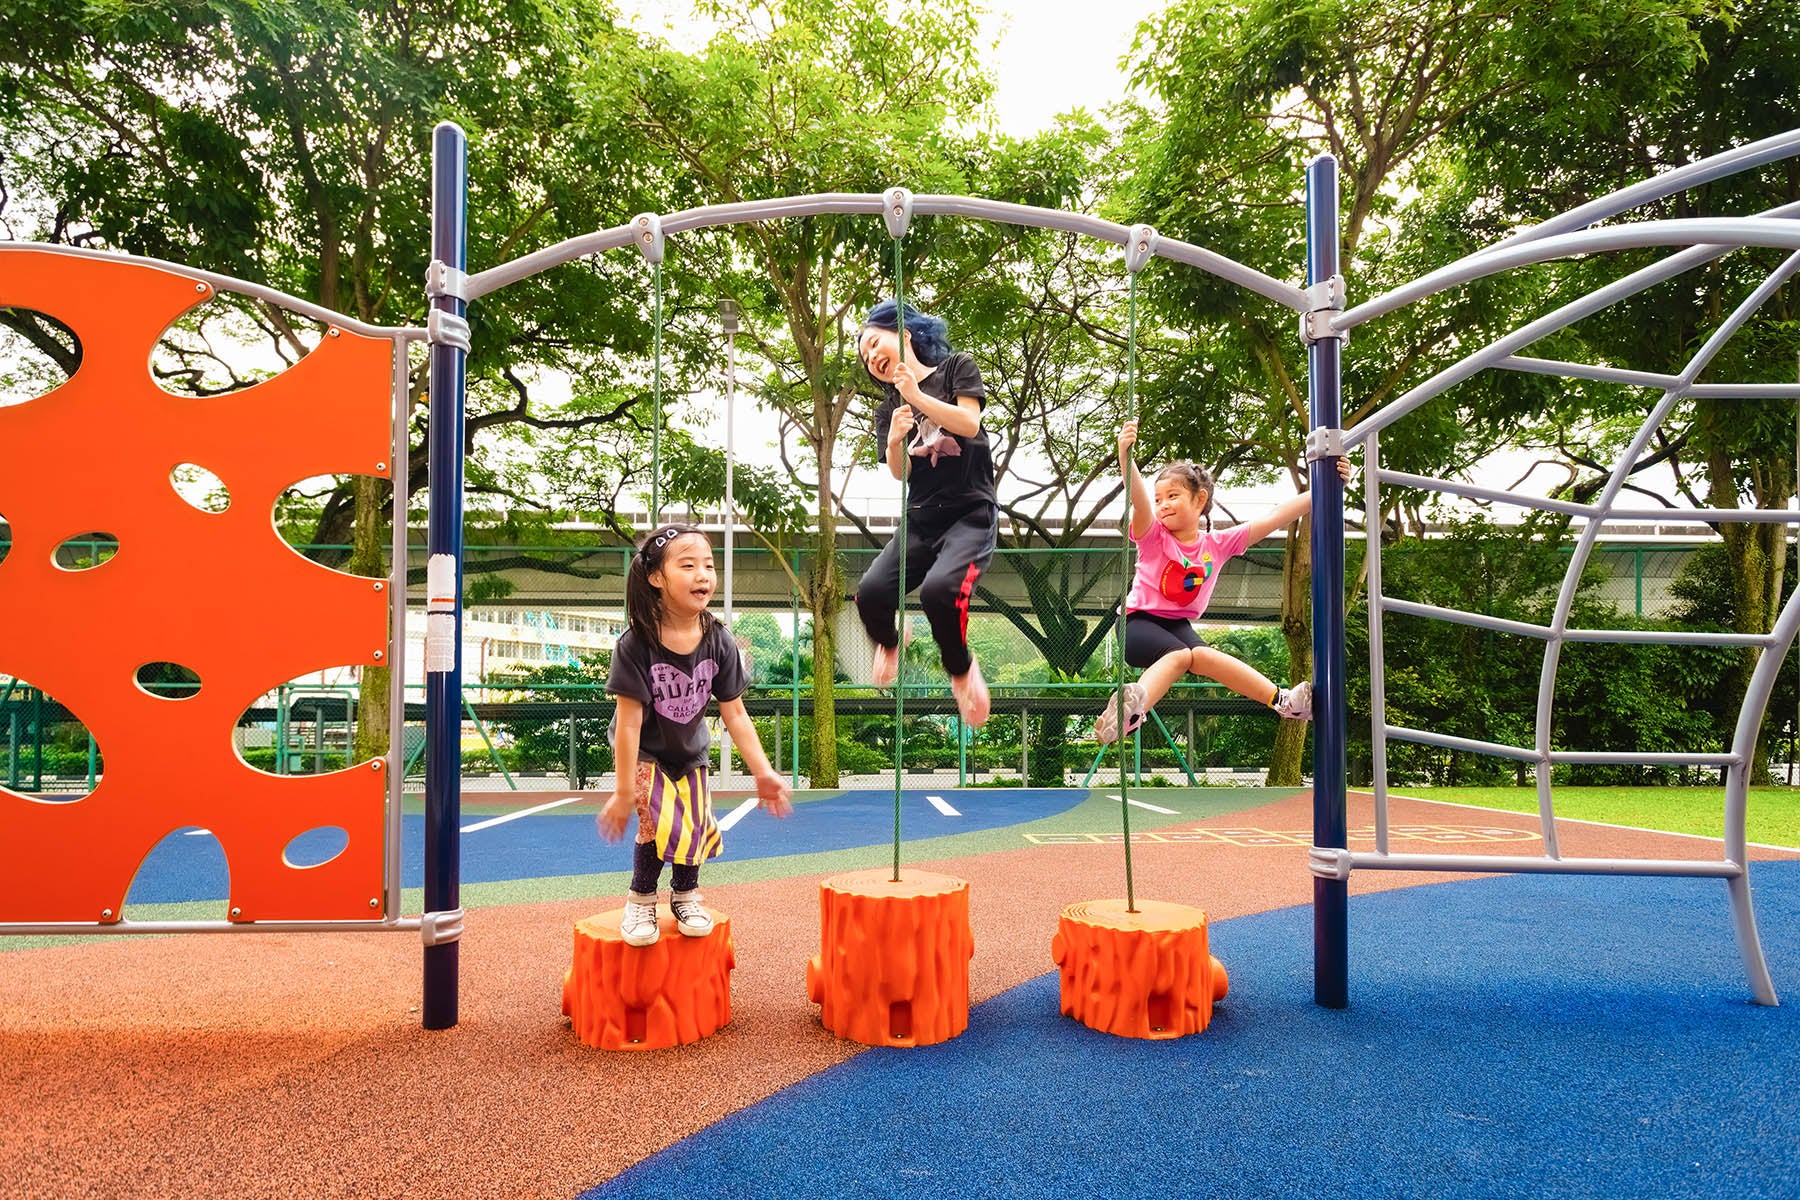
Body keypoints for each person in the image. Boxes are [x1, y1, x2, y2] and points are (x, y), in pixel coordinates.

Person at [1093, 419, 1352, 744]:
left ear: (1199, 500)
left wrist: (1325, 489)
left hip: (1176, 625)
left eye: (1172, 496)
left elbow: (1273, 517)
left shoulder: (1218, 544)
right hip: (1137, 623)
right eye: (1159, 499)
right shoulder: (1152, 536)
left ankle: (1285, 702)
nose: (1162, 505)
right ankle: (1131, 709)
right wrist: (1125, 456)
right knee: (1181, 656)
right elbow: (1139, 500)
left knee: (1205, 657)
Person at [598, 523, 792, 947]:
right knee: (659, 824)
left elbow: (735, 713)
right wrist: (622, 789)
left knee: (698, 825)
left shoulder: (719, 640)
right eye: (687, 565)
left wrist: (763, 772)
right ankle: (641, 900)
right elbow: (628, 721)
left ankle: (685, 896)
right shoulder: (636, 645)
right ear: (656, 578)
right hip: (645, 751)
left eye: (708, 564)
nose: (703, 573)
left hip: (689, 751)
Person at [852, 298, 996, 728]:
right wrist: (895, 440)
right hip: (921, 517)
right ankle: (891, 643)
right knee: (872, 592)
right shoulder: (888, 410)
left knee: (939, 591)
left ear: (905, 334)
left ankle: (960, 669)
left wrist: (915, 395)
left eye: (876, 343)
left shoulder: (956, 369)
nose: (872, 356)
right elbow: (902, 473)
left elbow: (969, 425)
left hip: (970, 512)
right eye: (866, 356)